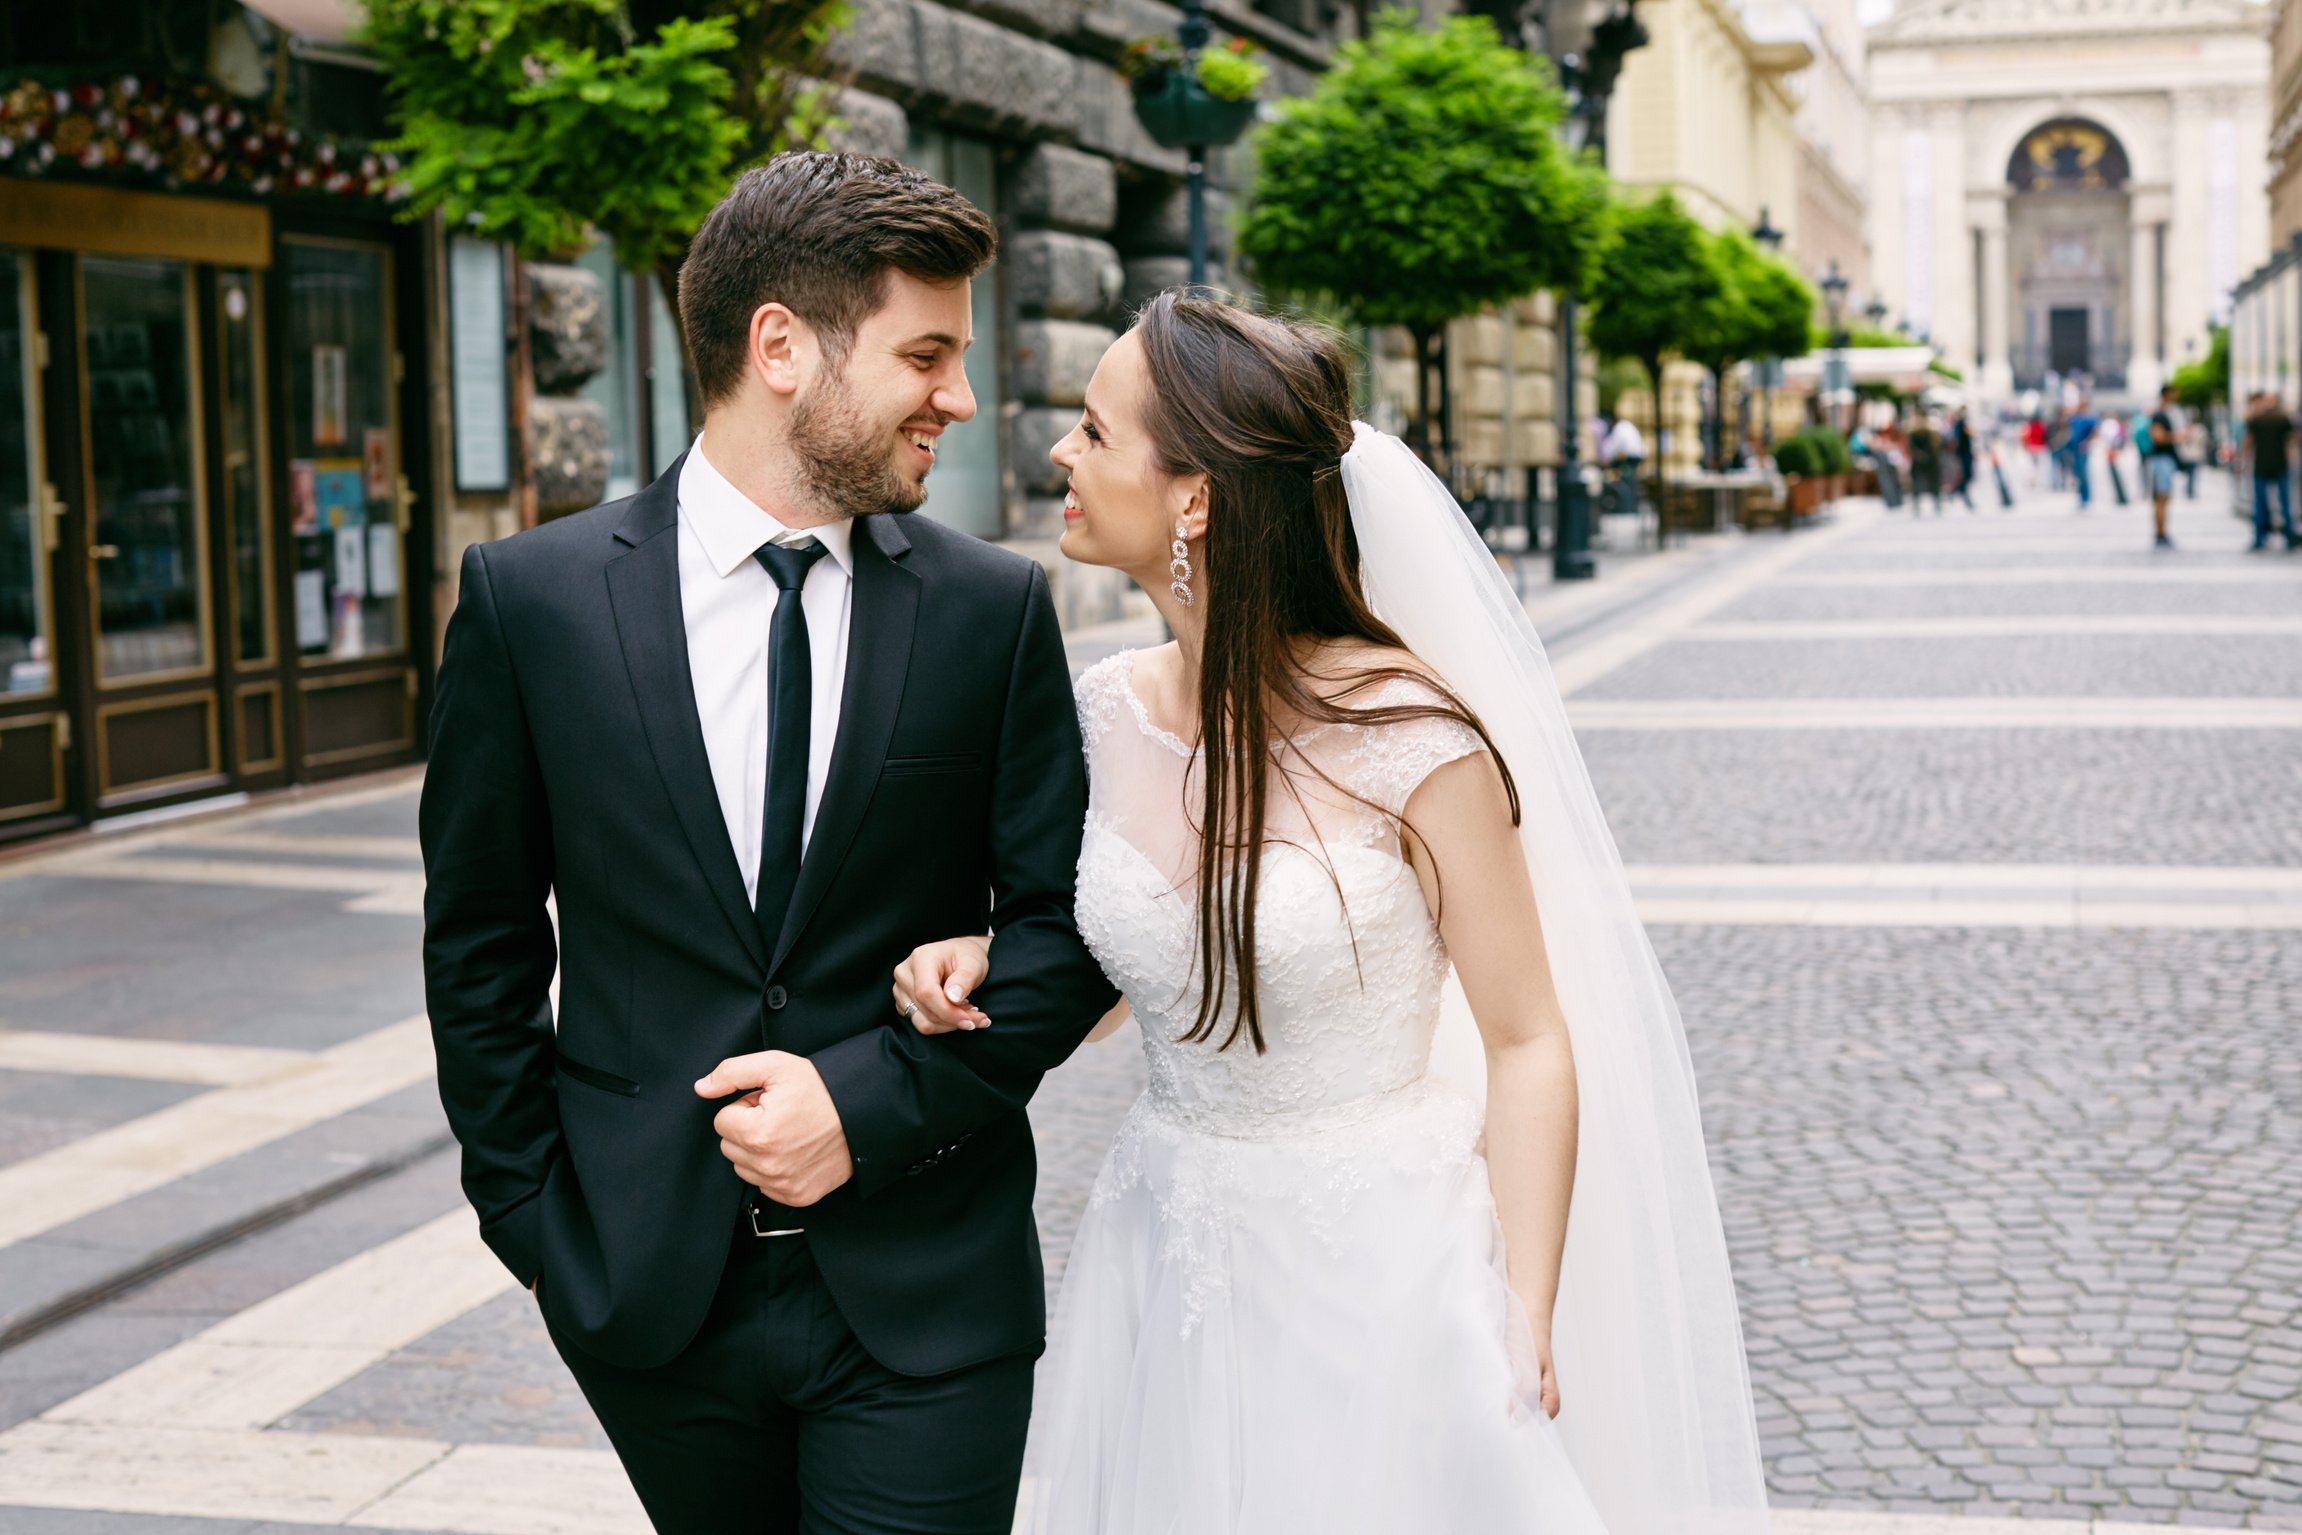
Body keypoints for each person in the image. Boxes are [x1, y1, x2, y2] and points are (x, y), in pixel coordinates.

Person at [895, 295, 1770, 1534]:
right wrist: (976, 957)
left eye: (1093, 430)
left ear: (1192, 495)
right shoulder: (1102, 708)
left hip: (1378, 1266)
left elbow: (1527, 1039)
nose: (1057, 453)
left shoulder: (1409, 735)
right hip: (1165, 1243)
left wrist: (1521, 1304)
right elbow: (1133, 977)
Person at [419, 152, 1118, 1535]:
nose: (960, 400)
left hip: (929, 1293)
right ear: (782, 346)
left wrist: (862, 1104)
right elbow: (483, 940)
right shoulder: (531, 601)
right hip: (648, 1296)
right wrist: (539, 1226)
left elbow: (1070, 931)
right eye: (926, 354)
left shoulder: (991, 610)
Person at [2244, 391, 2299, 550]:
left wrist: (2245, 461)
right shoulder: (2283, 418)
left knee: (2260, 503)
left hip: (2261, 466)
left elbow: (2248, 441)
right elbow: (2292, 439)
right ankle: (2289, 535)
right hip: (2280, 465)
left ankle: (2260, 537)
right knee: (2285, 502)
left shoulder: (2256, 419)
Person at [2146, 384, 2181, 549]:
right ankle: (2161, 534)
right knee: (2161, 498)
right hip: (2161, 460)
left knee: (2162, 499)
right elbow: (2157, 437)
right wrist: (2178, 437)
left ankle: (2161, 533)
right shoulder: (2160, 415)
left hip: (2162, 460)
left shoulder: (2164, 413)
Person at [2066, 397, 2100, 509]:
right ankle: (2081, 497)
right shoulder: (2075, 418)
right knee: (2077, 474)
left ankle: (2085, 498)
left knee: (2083, 474)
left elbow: (2094, 432)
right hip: (2073, 449)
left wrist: (2086, 443)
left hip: (2082, 449)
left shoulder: (2088, 419)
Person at [1908, 412, 1946, 513]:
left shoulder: (1930, 432)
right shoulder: (1916, 432)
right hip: (1924, 461)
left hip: (1929, 461)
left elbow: (1937, 445)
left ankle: (1935, 505)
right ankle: (1920, 506)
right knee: (1920, 484)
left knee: (1931, 483)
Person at [1949, 408, 1977, 509]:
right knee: (1966, 474)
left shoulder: (1961, 424)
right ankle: (1957, 491)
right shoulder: (1960, 425)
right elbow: (1956, 440)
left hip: (1965, 453)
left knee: (1967, 475)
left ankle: (1958, 492)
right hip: (1963, 453)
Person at [2023, 414, 2048, 486]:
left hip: (2032, 447)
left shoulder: (2029, 427)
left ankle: (2033, 478)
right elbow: (2045, 436)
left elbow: (2026, 437)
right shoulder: (2041, 426)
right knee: (2040, 465)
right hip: (2040, 447)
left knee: (2032, 464)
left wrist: (2026, 445)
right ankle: (2038, 479)